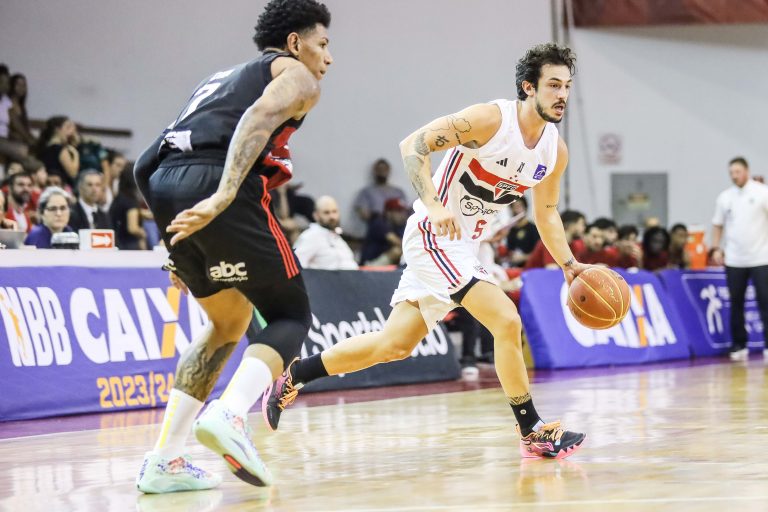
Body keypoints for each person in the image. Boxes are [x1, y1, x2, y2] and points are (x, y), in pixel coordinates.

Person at [263, 43, 587, 459]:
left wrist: (569, 264)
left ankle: (294, 375)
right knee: (506, 320)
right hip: (434, 237)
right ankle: (532, 430)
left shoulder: (554, 150)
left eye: (567, 86)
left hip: (463, 248)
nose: (562, 95)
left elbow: (546, 212)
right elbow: (412, 145)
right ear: (529, 87)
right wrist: (434, 204)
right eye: (553, 85)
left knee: (394, 344)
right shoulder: (490, 120)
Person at [132, 0, 332, 494]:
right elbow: (259, 118)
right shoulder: (296, 76)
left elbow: (143, 164)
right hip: (220, 186)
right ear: (294, 43)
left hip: (165, 186)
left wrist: (173, 242)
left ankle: (165, 460)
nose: (328, 58)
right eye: (323, 44)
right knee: (290, 315)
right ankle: (230, 414)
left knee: (227, 323)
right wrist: (222, 195)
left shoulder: (218, 81)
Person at [711, 157, 768, 361]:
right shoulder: (725, 197)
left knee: (765, 300)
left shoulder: (762, 192)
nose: (734, 176)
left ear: (747, 171)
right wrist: (716, 247)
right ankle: (739, 344)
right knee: (735, 302)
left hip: (761, 257)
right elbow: (718, 224)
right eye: (731, 173)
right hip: (735, 259)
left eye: (738, 172)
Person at [293, 195, 358, 270]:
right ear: (316, 215)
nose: (332, 216)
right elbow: (296, 266)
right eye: (326, 213)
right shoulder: (311, 236)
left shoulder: (336, 236)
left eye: (334, 211)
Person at [353, 158, 408, 225]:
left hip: (399, 224)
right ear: (375, 171)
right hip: (378, 224)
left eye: (384, 169)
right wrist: (384, 216)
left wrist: (398, 217)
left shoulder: (398, 192)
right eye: (379, 169)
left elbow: (406, 212)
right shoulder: (366, 192)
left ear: (388, 170)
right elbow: (363, 214)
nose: (382, 172)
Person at [359, 197, 409, 265]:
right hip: (369, 264)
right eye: (398, 211)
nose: (402, 215)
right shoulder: (379, 222)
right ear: (388, 212)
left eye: (403, 211)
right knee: (398, 251)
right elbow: (398, 242)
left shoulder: (398, 227)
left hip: (383, 263)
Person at [36, 116, 80, 189]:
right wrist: (76, 154)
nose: (71, 131)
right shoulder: (60, 149)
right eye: (68, 127)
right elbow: (73, 173)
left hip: (50, 184)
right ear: (57, 129)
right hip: (60, 185)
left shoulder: (45, 147)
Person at [109, 170, 146, 249]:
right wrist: (143, 233)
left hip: (117, 243)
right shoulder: (130, 201)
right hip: (129, 246)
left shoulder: (119, 198)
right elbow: (133, 228)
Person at [505, 195, 539, 267]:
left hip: (530, 267)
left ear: (525, 208)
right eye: (514, 207)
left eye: (519, 206)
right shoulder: (510, 230)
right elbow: (509, 250)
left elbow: (539, 252)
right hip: (513, 267)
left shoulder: (533, 228)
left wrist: (524, 257)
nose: (517, 210)